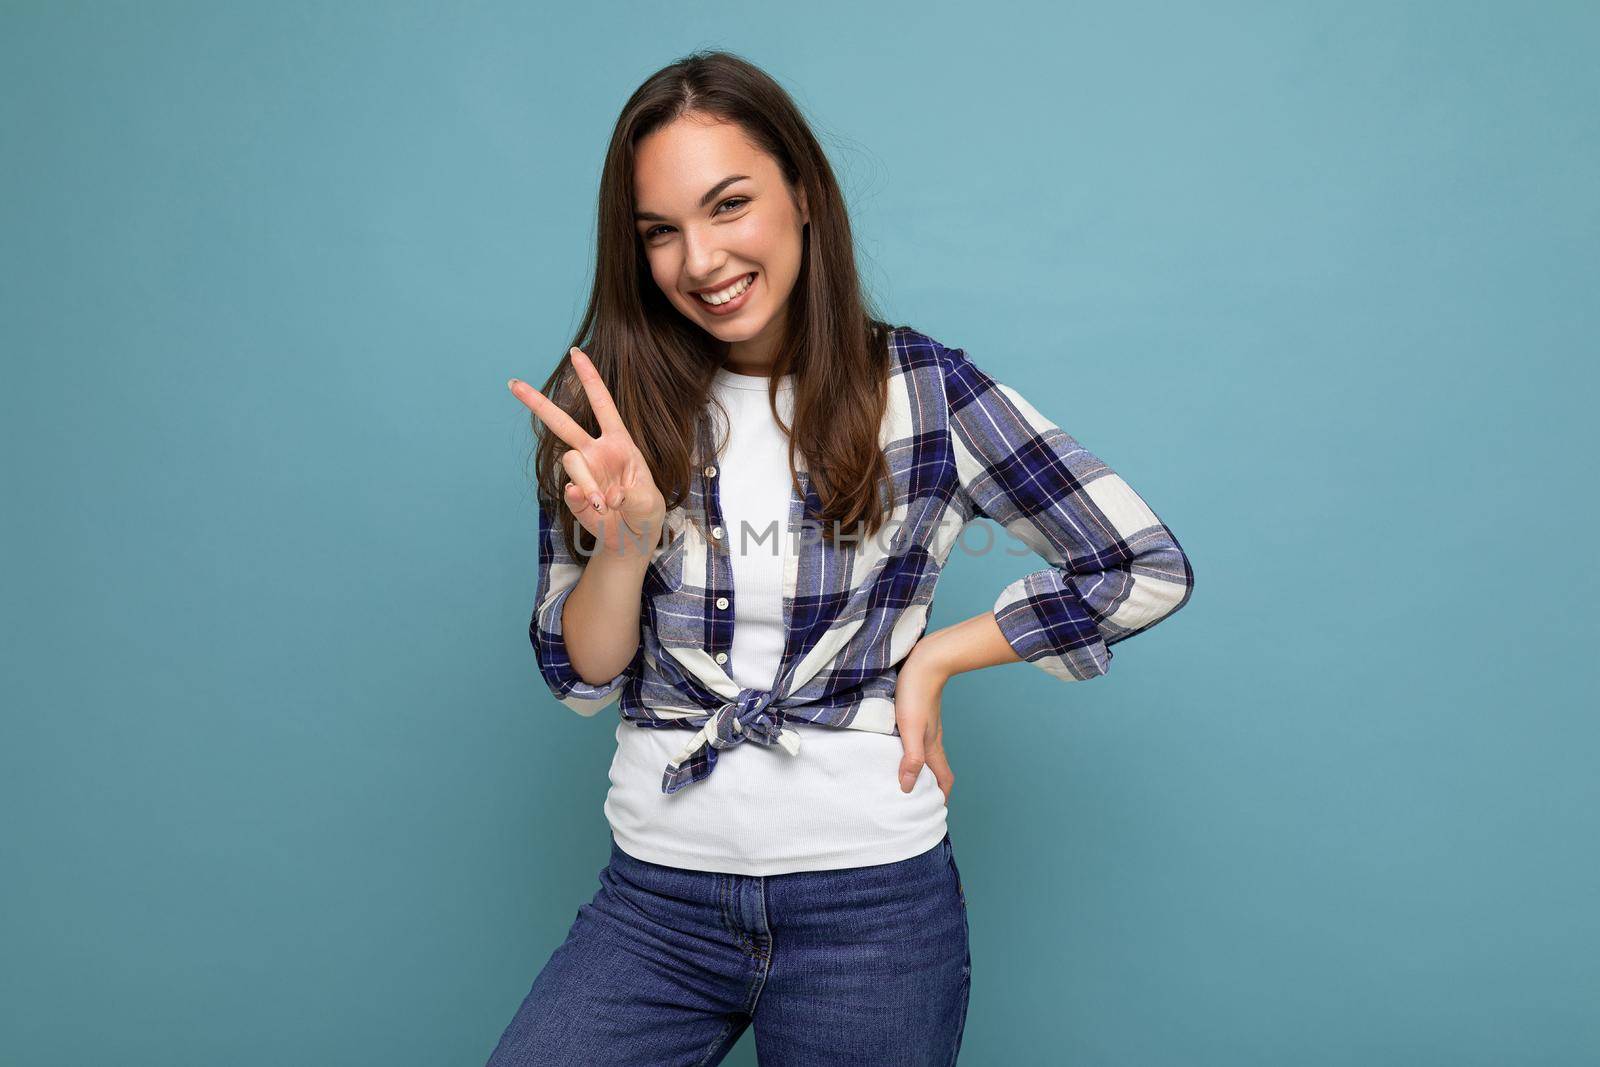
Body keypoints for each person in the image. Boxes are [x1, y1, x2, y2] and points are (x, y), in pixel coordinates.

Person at [488, 49, 1195, 1066]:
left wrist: (939, 655)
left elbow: (1138, 562)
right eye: (660, 232)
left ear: (804, 194)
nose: (700, 258)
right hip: (656, 902)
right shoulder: (608, 405)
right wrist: (625, 542)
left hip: (872, 908)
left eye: (729, 204)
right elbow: (581, 676)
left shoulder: (924, 391)